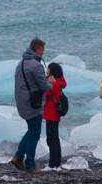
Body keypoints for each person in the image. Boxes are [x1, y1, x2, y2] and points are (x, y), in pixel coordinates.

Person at [10, 38, 51, 173]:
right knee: (35, 133)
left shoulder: (20, 63)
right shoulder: (36, 65)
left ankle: (18, 157)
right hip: (33, 104)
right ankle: (30, 164)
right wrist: (52, 82)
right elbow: (44, 86)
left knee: (31, 131)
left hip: (22, 102)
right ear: (38, 49)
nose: (43, 53)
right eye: (43, 50)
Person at [43, 62, 67, 169]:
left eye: (48, 68)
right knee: (54, 139)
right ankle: (56, 162)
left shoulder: (54, 83)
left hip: (52, 114)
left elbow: (46, 94)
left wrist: (49, 81)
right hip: (53, 114)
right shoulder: (58, 81)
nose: (46, 70)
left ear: (51, 71)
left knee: (52, 139)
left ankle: (54, 163)